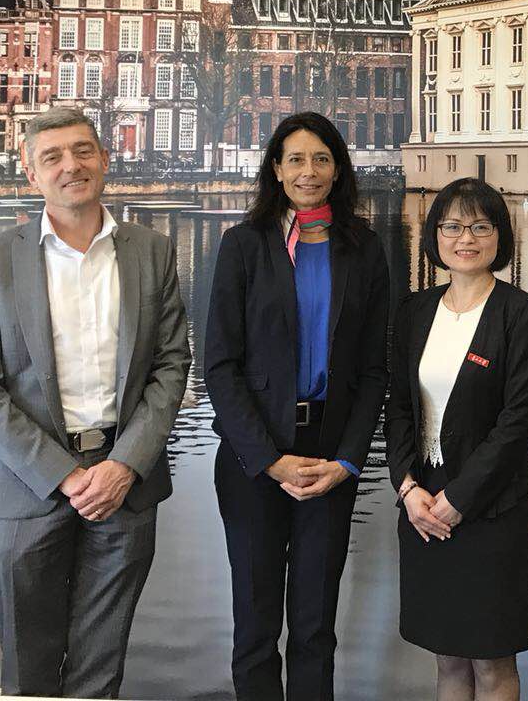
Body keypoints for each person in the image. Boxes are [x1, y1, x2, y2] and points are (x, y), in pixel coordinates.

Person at [0, 107, 191, 698]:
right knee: (28, 674)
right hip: (23, 489)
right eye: (52, 156)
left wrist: (123, 465)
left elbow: (171, 366)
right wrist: (62, 474)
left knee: (99, 674)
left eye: (83, 151)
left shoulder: (152, 251)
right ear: (31, 173)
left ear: (104, 160)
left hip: (124, 487)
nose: (71, 166)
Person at [204, 112, 391, 701]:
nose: (308, 171)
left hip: (329, 460)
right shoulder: (243, 245)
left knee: (314, 630)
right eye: (296, 159)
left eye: (321, 159)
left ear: (337, 170)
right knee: (256, 629)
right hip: (254, 461)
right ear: (277, 171)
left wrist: (348, 461)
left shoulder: (364, 249)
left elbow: (373, 372)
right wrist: (268, 459)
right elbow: (220, 366)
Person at [384, 178, 528, 701]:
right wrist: (408, 488)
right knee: (449, 660)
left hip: (490, 512)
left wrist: (459, 499)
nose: (466, 238)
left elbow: (517, 422)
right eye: (452, 226)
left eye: (481, 226)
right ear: (435, 235)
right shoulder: (414, 312)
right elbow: (399, 408)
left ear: (501, 235)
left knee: (492, 663)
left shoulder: (522, 314)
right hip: (423, 508)